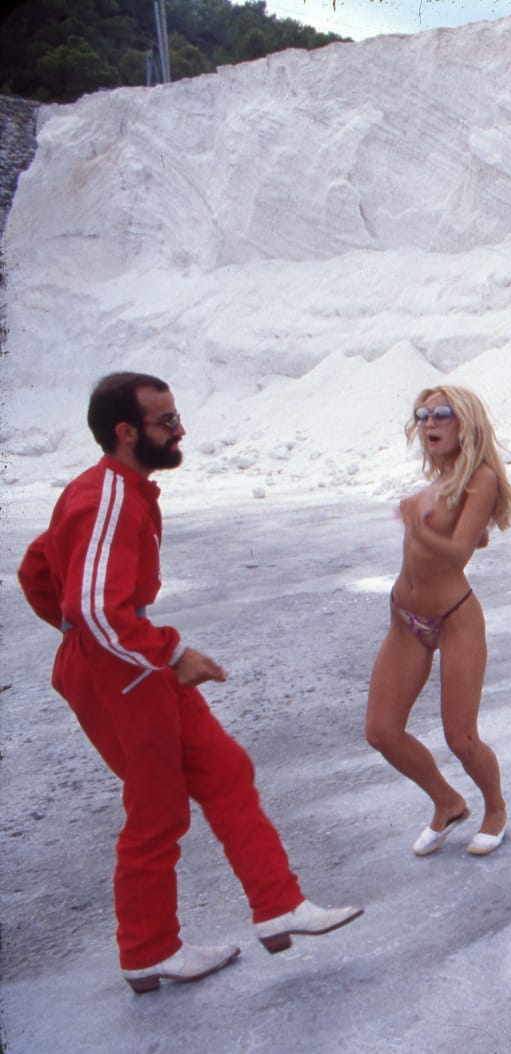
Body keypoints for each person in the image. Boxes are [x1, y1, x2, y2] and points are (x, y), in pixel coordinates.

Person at [16, 373, 362, 994]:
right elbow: (94, 608)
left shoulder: (121, 489)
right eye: (167, 422)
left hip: (129, 660)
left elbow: (36, 572)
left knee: (224, 770)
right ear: (127, 432)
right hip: (120, 670)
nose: (181, 432)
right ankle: (148, 950)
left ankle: (278, 906)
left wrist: (102, 637)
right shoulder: (106, 498)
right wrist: (163, 651)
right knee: (158, 810)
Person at [365, 386, 511, 857]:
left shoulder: (481, 479)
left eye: (442, 415)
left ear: (465, 423)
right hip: (404, 618)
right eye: (423, 415)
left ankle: (494, 809)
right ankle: (447, 802)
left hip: (455, 618)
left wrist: (415, 524)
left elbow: (456, 553)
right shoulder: (437, 479)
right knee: (381, 731)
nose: (430, 423)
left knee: (461, 736)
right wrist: (417, 516)